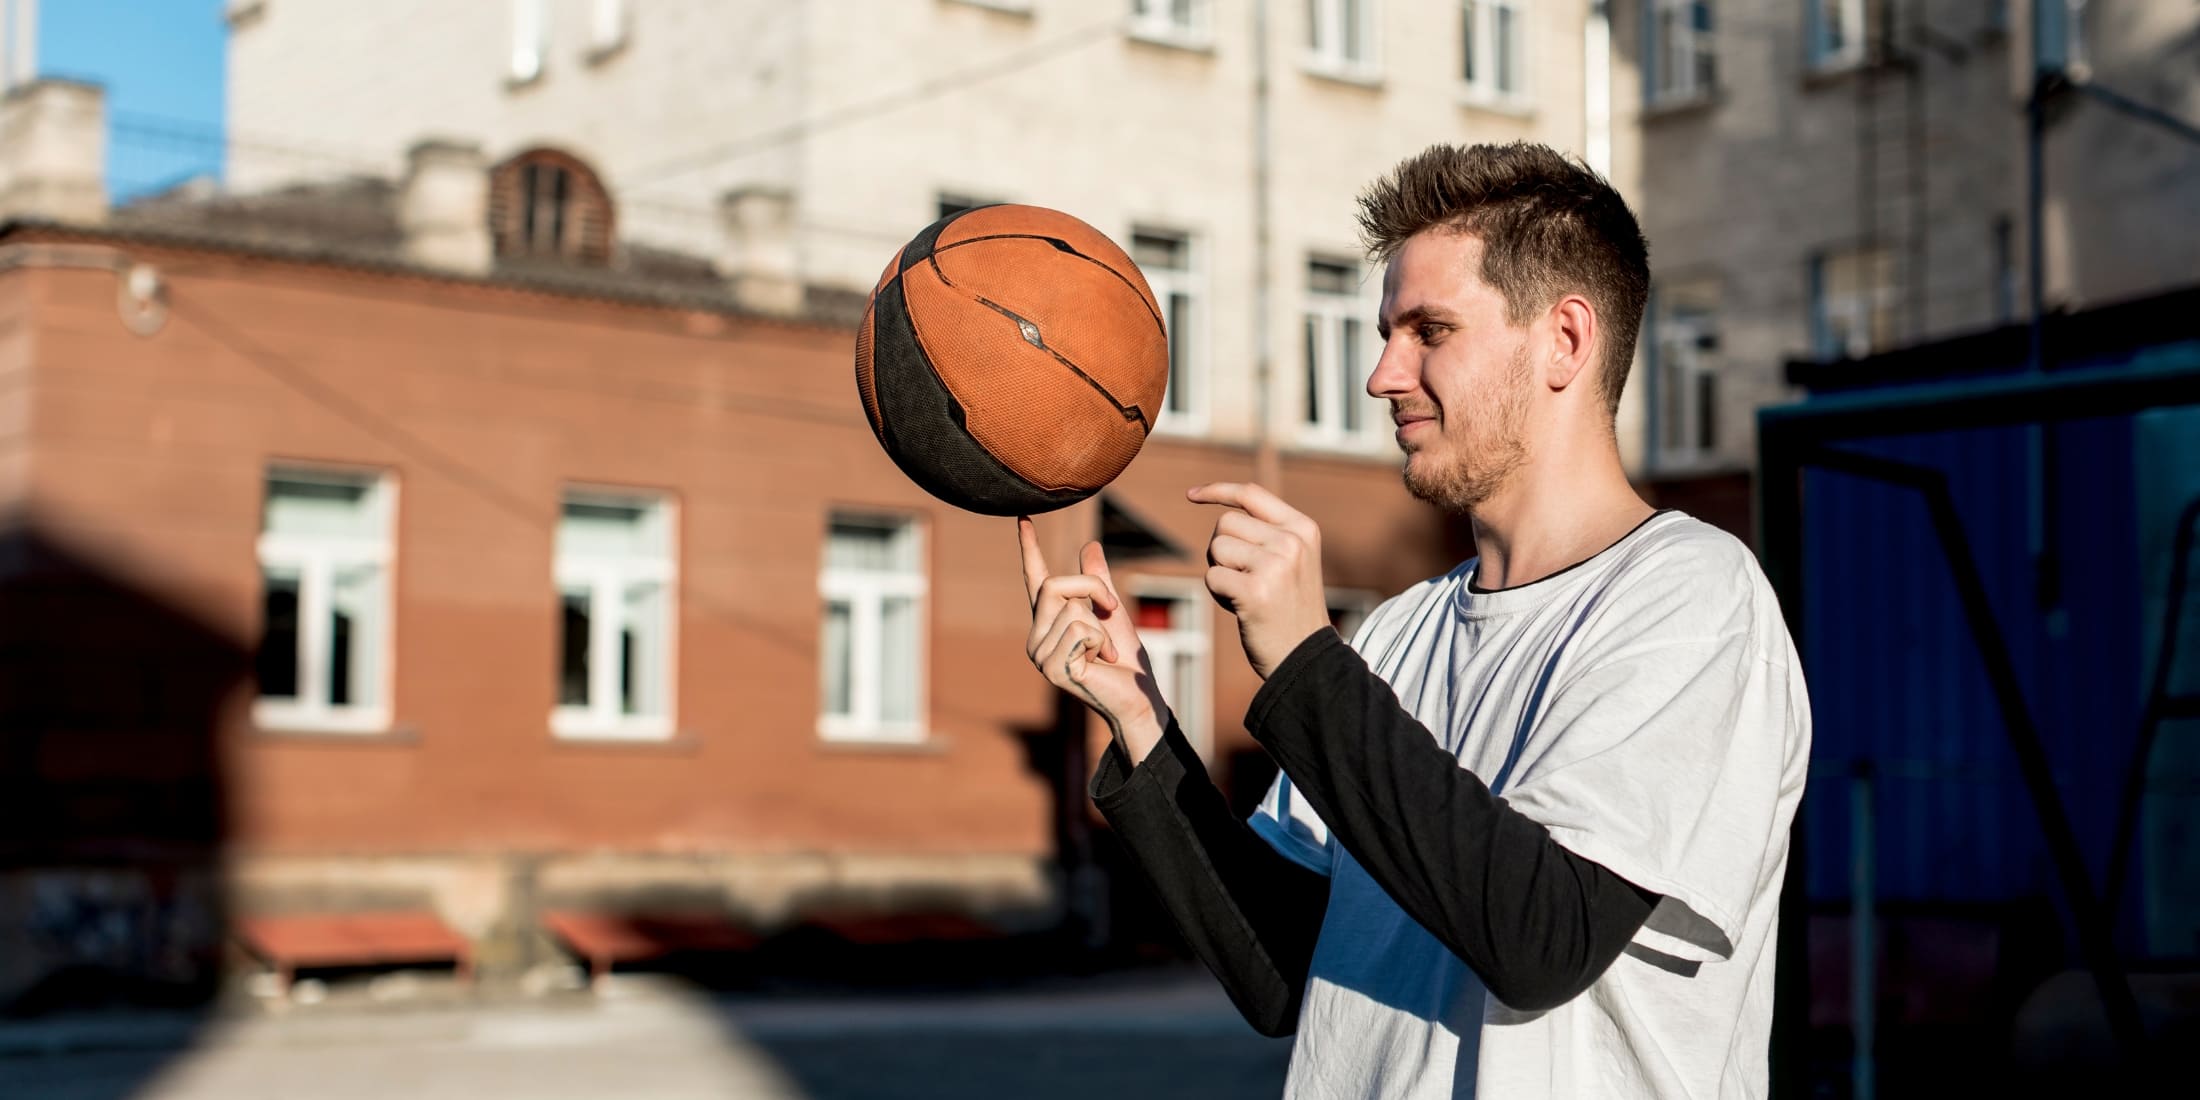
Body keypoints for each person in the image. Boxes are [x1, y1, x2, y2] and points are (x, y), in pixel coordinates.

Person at [1016, 142, 1810, 1098]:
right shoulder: (1398, 633)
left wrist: (1307, 662)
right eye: (1387, 332)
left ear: (1564, 340)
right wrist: (1142, 722)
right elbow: (1281, 969)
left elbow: (1542, 940)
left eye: (1431, 330)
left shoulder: (1691, 597)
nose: (1383, 375)